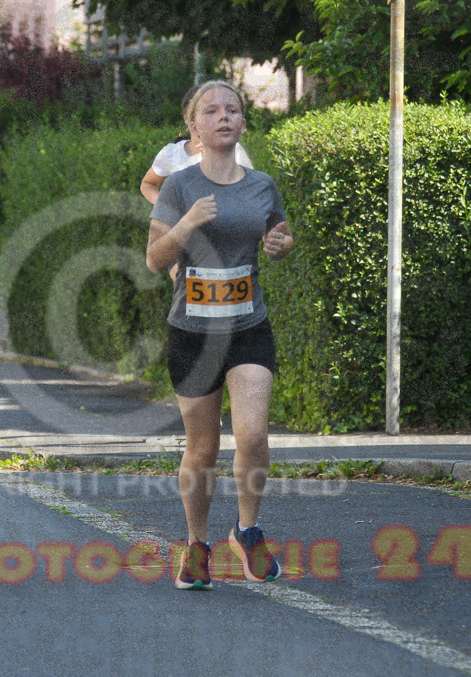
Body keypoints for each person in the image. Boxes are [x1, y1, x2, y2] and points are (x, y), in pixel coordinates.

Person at [146, 80, 293, 590]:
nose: (223, 117)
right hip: (193, 334)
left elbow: (280, 234)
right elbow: (155, 258)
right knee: (203, 449)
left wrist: (278, 245)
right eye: (211, 111)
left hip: (248, 327)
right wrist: (187, 223)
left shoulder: (262, 185)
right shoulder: (178, 187)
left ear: (243, 123)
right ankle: (197, 544)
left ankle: (248, 531)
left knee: (252, 434)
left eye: (232, 109)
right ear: (194, 128)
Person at [141, 85, 253, 282]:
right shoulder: (171, 153)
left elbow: (250, 190)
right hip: (182, 241)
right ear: (188, 118)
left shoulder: (233, 151)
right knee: (190, 293)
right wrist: (168, 208)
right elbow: (148, 184)